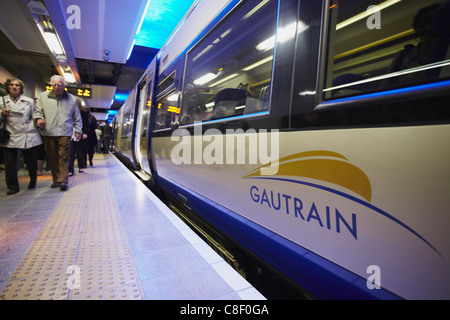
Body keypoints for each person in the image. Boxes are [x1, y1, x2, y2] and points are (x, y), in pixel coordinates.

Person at [33, 75, 82, 191]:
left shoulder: (71, 99)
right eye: (54, 85)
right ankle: (56, 180)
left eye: (59, 85)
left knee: (64, 156)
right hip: (48, 132)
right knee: (52, 158)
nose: (56, 87)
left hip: (65, 132)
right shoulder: (43, 97)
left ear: (64, 86)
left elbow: (77, 117)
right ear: (51, 85)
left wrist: (78, 130)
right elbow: (37, 111)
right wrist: (39, 119)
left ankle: (63, 180)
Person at [0, 78, 43, 195]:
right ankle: (12, 186)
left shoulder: (28, 101)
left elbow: (34, 115)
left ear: (21, 88)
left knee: (31, 161)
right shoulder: (2, 100)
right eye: (12, 85)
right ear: (7, 87)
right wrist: (1, 113)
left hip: (27, 133)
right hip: (10, 133)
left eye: (17, 85)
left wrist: (39, 120)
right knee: (10, 164)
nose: (14, 87)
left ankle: (33, 180)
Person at [68, 98, 89, 175]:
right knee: (70, 152)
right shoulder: (69, 111)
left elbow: (86, 123)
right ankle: (70, 170)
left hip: (79, 134)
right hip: (70, 134)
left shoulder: (84, 112)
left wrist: (85, 133)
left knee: (79, 151)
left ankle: (81, 167)